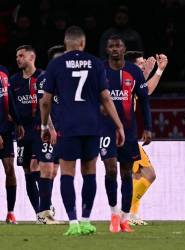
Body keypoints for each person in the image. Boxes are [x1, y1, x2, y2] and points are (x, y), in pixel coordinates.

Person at [40, 26, 124, 236]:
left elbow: (45, 101)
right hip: (91, 125)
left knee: (67, 173)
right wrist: (119, 125)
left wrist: (44, 126)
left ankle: (74, 222)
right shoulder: (95, 63)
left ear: (66, 42)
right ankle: (87, 221)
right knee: (90, 172)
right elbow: (106, 97)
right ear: (83, 43)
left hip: (67, 126)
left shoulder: (56, 64)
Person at [99, 36, 152, 233]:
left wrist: (147, 127)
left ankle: (124, 218)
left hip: (129, 130)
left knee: (127, 172)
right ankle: (113, 214)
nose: (114, 49)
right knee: (111, 169)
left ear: (124, 49)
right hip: (104, 128)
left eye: (118, 46)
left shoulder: (134, 71)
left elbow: (145, 101)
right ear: (107, 49)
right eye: (111, 46)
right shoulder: (100, 70)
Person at [125, 50, 168, 225]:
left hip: (126, 136)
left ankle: (132, 214)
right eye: (140, 63)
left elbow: (144, 89)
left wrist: (156, 71)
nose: (144, 66)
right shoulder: (125, 81)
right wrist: (155, 71)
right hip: (124, 136)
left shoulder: (128, 81)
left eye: (144, 63)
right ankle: (125, 212)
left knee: (137, 175)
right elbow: (146, 89)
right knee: (149, 174)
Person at [10, 45, 43, 218]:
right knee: (26, 170)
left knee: (36, 165)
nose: (18, 59)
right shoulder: (14, 81)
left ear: (32, 57)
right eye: (17, 56)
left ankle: (46, 206)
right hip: (23, 132)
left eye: (21, 56)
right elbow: (10, 106)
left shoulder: (43, 77)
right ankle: (39, 212)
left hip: (40, 130)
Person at [35, 45, 65, 224]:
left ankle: (46, 210)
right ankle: (42, 213)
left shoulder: (66, 80)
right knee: (46, 169)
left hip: (63, 131)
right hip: (47, 131)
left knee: (53, 171)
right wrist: (50, 128)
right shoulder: (44, 78)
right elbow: (43, 105)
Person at [0, 65, 24, 224]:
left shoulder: (3, 71)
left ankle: (10, 212)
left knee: (10, 169)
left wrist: (18, 122)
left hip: (6, 130)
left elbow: (9, 99)